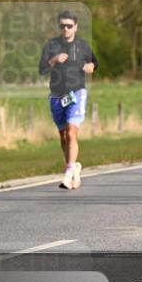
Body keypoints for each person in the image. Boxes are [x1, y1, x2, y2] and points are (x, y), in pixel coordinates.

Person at [38, 10, 98, 190]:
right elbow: (41, 69)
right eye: (62, 25)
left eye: (69, 26)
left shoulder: (83, 46)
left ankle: (68, 171)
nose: (66, 29)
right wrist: (54, 60)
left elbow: (95, 63)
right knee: (63, 136)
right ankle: (74, 167)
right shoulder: (51, 45)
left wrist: (90, 67)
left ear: (75, 27)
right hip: (56, 94)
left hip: (77, 93)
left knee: (72, 132)